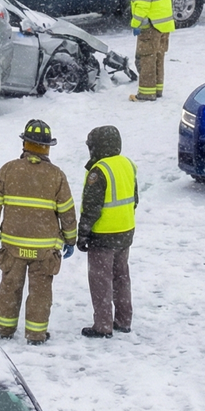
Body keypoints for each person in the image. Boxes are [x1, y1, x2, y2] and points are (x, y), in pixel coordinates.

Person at [0, 120, 78, 345]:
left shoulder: (8, 170)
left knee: (10, 287)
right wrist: (70, 238)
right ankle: (36, 334)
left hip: (12, 247)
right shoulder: (56, 175)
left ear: (25, 144)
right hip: (44, 250)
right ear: (47, 147)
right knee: (40, 292)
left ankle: (5, 329)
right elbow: (67, 211)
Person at [77, 125, 136, 339]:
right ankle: (123, 320)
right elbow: (134, 199)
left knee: (101, 279)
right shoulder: (127, 164)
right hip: (126, 232)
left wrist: (83, 233)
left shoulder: (99, 170)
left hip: (103, 236)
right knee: (121, 277)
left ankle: (102, 325)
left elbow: (91, 207)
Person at [125, 0, 174, 102]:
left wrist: (135, 24)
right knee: (158, 57)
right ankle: (157, 90)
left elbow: (141, 7)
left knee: (146, 58)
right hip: (164, 25)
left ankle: (146, 93)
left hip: (150, 26)